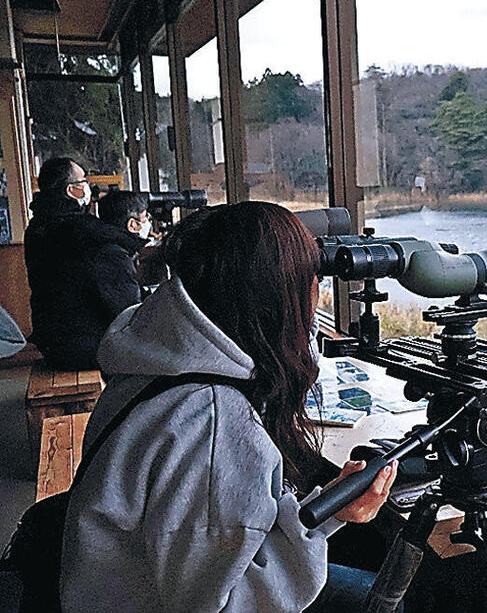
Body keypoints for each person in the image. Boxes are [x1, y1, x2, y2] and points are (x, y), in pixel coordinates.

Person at [61, 201, 397, 612]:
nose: (313, 299)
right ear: (272, 301)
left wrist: (321, 513)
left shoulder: (159, 356)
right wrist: (328, 522)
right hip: (141, 597)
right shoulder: (212, 419)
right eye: (308, 283)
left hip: (107, 582)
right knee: (387, 598)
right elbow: (220, 605)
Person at [24, 158, 148, 370]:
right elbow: (127, 311)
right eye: (84, 181)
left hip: (53, 341)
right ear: (72, 190)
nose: (89, 187)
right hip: (84, 347)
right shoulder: (81, 234)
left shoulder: (38, 227)